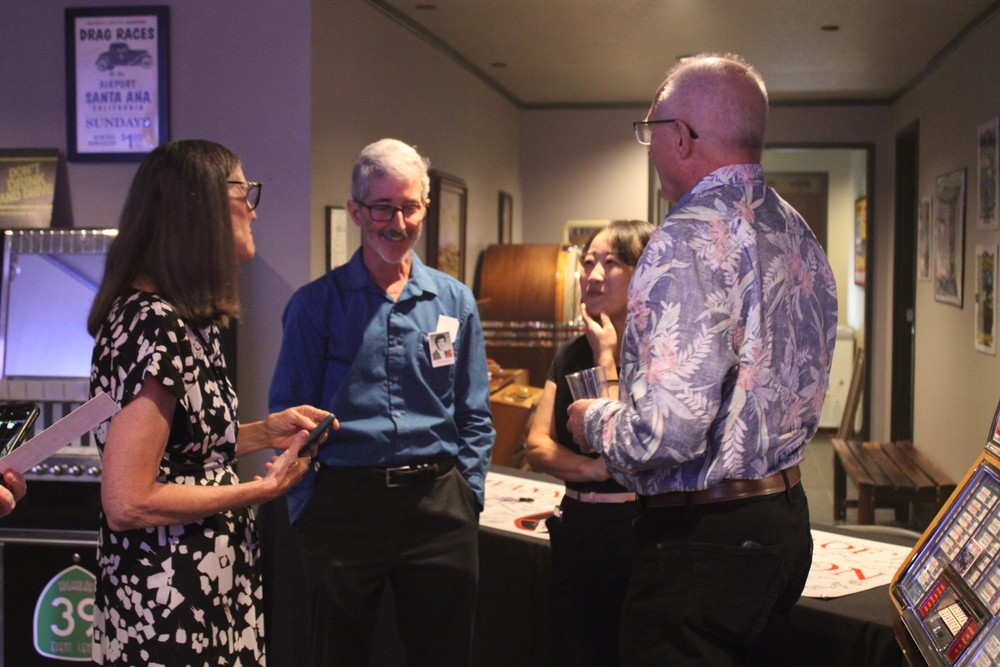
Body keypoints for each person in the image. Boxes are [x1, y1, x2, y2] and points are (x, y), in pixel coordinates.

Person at [568, 53, 839, 666]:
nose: (650, 148)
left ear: (682, 136)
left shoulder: (685, 237)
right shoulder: (794, 227)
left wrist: (594, 420)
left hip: (704, 540)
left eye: (651, 131)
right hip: (784, 520)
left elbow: (667, 433)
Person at [87, 139, 333, 666]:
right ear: (201, 206)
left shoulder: (186, 319)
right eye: (245, 192)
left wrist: (265, 432)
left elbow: (182, 453)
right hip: (168, 600)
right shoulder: (152, 323)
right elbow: (128, 500)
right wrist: (259, 490)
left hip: (203, 583)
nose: (254, 210)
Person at [269, 137, 495, 666]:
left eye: (409, 207)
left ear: (425, 208)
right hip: (343, 509)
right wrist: (307, 508)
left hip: (439, 506)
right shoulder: (315, 306)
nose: (398, 223)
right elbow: (288, 416)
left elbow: (474, 411)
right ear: (356, 211)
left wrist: (469, 493)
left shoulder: (454, 301)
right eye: (382, 208)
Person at [526, 219, 654, 667]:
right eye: (588, 262)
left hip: (638, 532)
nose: (593, 275)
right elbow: (537, 445)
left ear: (645, 271)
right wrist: (594, 470)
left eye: (611, 263)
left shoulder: (660, 353)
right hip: (578, 528)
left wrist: (606, 356)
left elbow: (625, 442)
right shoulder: (570, 352)